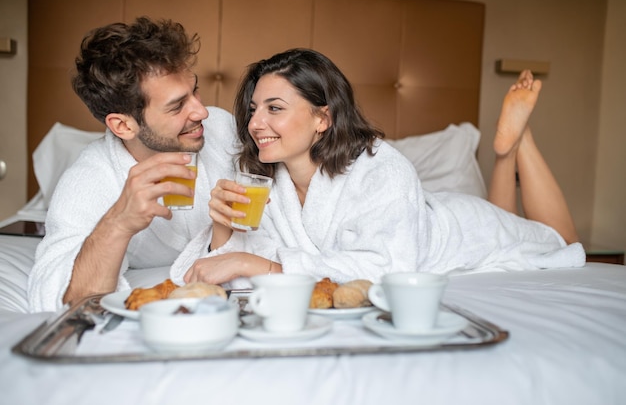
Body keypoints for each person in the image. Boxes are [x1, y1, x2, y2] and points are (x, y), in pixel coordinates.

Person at [170, 48, 584, 288]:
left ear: (323, 118)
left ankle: (517, 141)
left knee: (560, 242)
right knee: (518, 219)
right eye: (253, 109)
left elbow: (388, 268)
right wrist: (222, 230)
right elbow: (235, 263)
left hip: (460, 229)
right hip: (424, 214)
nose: (255, 123)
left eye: (275, 108)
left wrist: (262, 266)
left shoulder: (382, 168)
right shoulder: (265, 180)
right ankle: (508, 151)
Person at [27, 17, 238, 312]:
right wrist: (119, 222)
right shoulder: (90, 179)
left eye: (196, 90)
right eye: (177, 106)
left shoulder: (222, 129)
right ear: (123, 126)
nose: (202, 111)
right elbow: (57, 299)